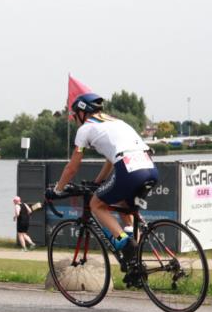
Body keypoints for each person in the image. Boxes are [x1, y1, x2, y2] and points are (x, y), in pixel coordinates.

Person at [50, 93, 158, 253]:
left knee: (96, 205)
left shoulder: (85, 129)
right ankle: (137, 255)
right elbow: (110, 160)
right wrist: (98, 182)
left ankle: (124, 243)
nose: (75, 120)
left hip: (129, 169)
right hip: (150, 167)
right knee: (124, 206)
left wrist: (57, 190)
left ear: (82, 113)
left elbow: (72, 168)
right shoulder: (117, 122)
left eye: (74, 116)